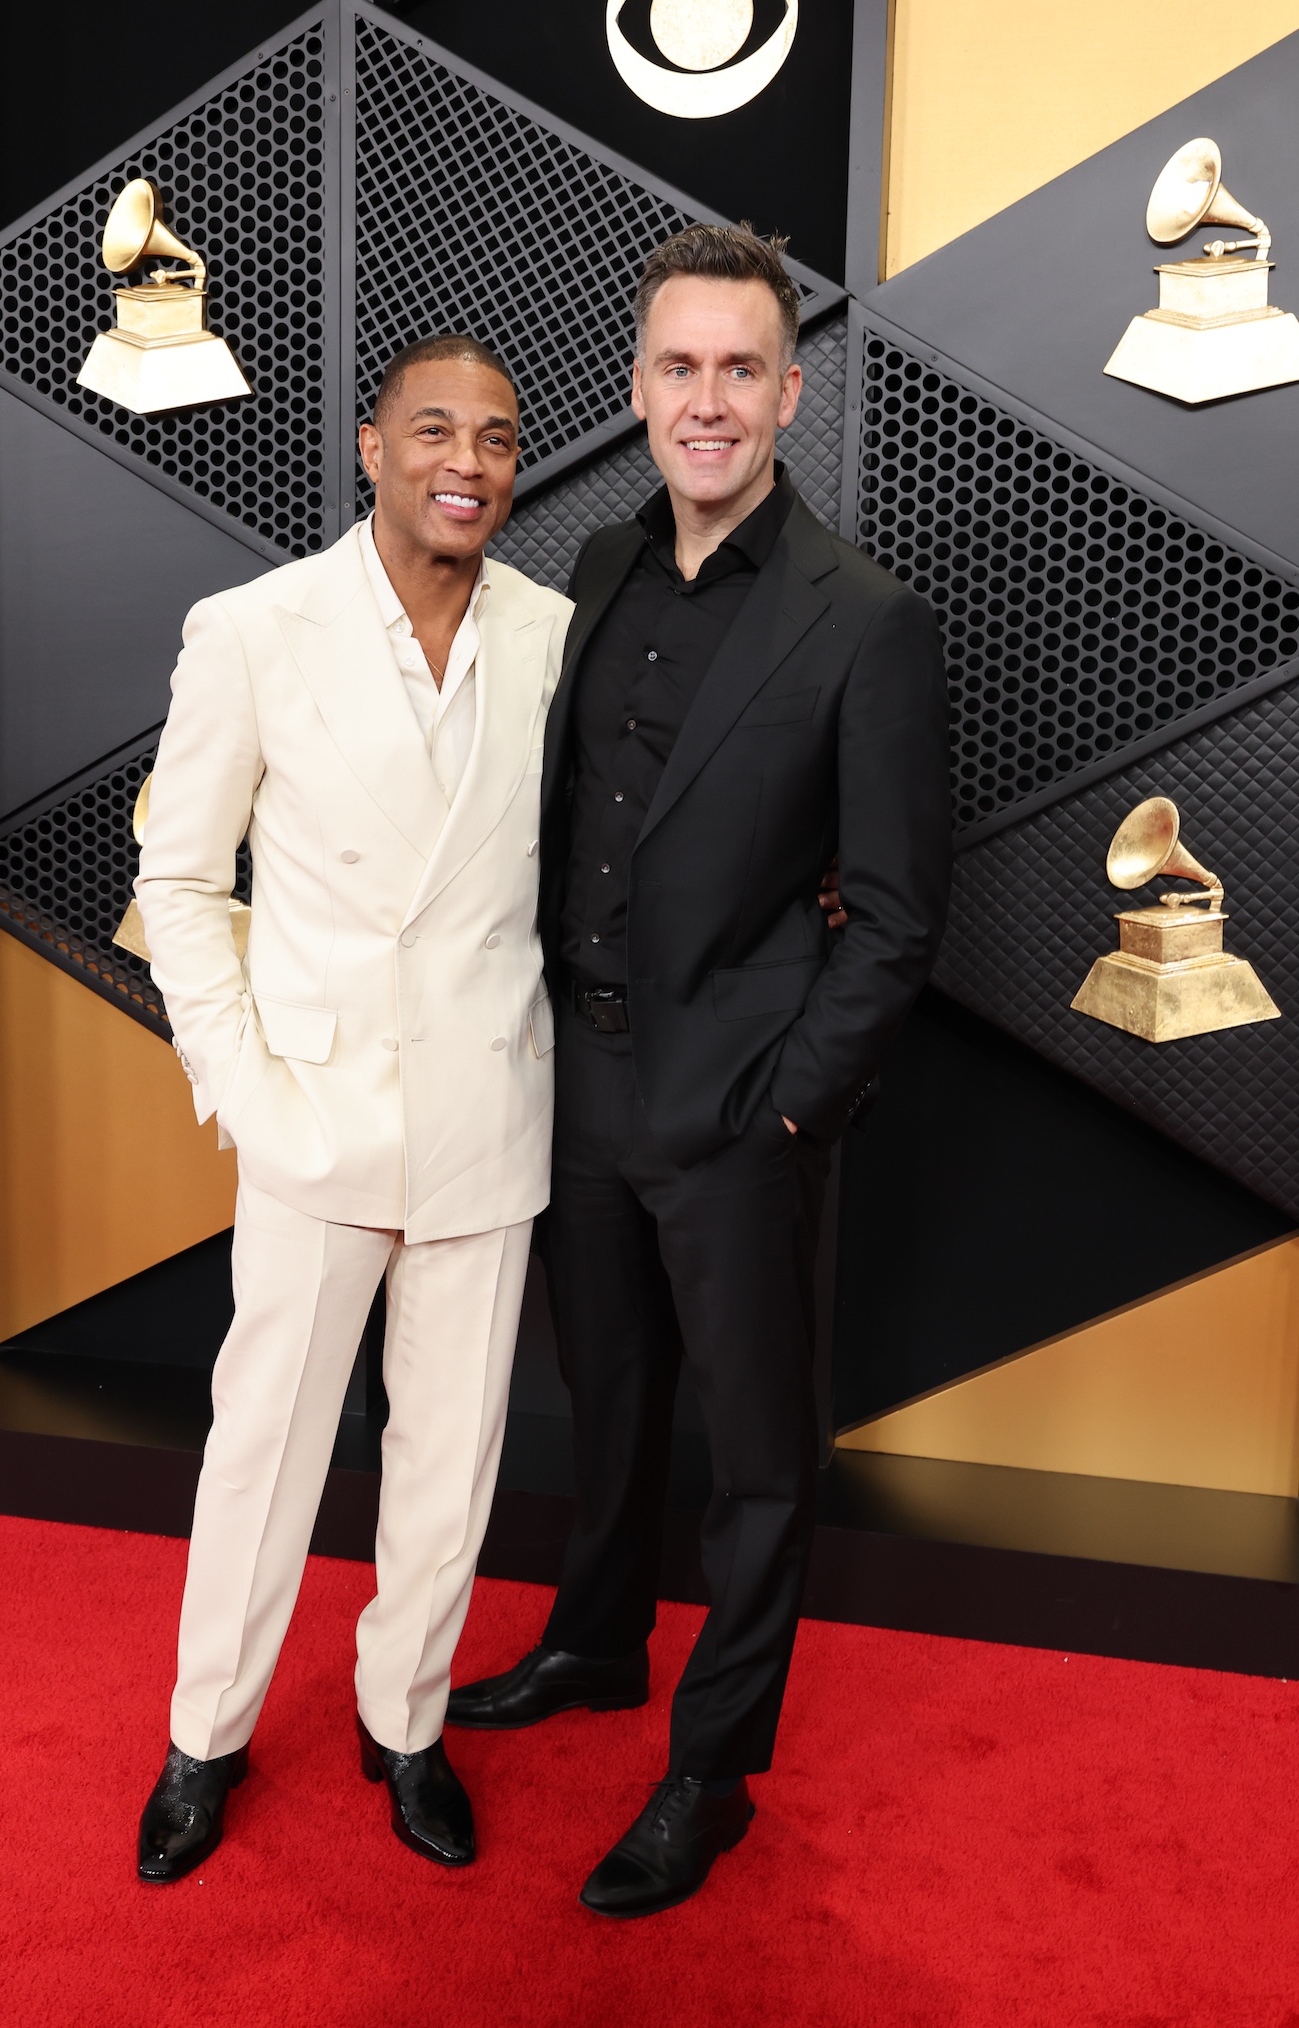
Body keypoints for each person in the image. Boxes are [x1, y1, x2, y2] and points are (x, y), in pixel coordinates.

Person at [447, 224, 954, 1917]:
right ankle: (595, 1647)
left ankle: (711, 1770)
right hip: (576, 1087)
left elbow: (892, 916)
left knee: (753, 1461)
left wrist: (792, 1101)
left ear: (793, 393)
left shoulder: (864, 622)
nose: (709, 401)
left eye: (743, 369)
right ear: (641, 385)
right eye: (680, 367)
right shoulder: (591, 568)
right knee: (607, 1405)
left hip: (742, 1110)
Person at [132, 334, 570, 1882]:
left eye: (500, 438)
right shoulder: (255, 629)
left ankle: (407, 1725)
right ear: (371, 449)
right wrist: (242, 1087)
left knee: (451, 1461)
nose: (470, 459)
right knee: (262, 1450)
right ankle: (204, 1739)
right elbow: (179, 881)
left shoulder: (556, 637)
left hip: (489, 1114)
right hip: (313, 1120)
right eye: (435, 429)